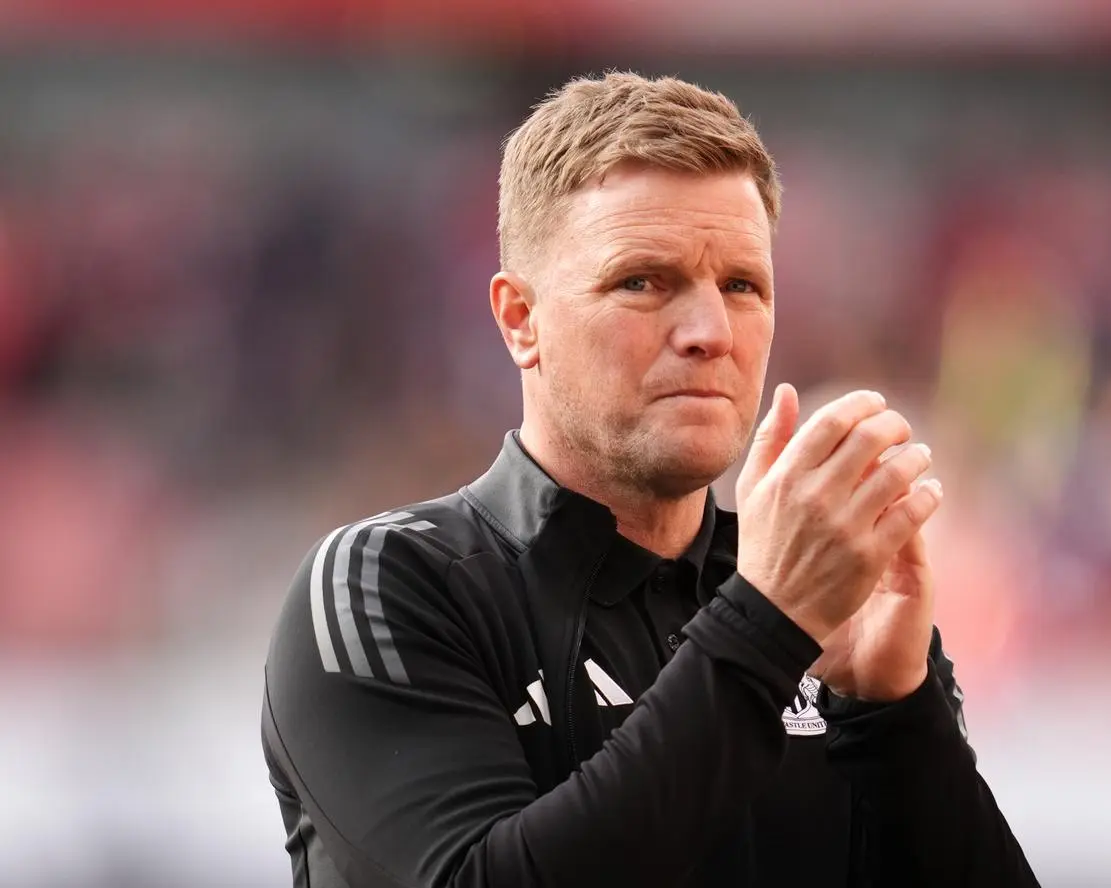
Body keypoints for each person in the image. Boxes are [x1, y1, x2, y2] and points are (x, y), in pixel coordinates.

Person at [261, 71, 1040, 887]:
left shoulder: (823, 608)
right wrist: (769, 627)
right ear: (520, 320)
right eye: (643, 282)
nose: (709, 331)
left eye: (742, 285)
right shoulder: (386, 585)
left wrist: (895, 714)